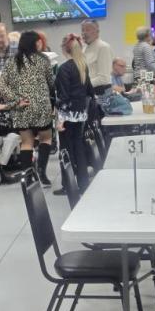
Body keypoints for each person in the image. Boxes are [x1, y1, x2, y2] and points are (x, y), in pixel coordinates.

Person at [0, 31, 55, 186]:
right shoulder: (43, 59)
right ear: (35, 43)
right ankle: (42, 173)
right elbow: (51, 82)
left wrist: (16, 100)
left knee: (26, 142)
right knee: (46, 138)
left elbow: (3, 86)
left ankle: (28, 177)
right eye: (39, 41)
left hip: (22, 108)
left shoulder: (11, 61)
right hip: (41, 106)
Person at [53, 34, 94, 195]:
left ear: (64, 49)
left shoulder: (64, 69)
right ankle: (83, 183)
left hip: (67, 116)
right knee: (78, 148)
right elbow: (89, 91)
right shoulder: (82, 66)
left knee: (65, 151)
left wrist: (60, 120)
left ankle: (67, 185)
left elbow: (63, 97)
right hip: (80, 114)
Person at [81, 19, 114, 96]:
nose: (84, 33)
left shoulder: (103, 47)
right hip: (89, 92)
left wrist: (83, 86)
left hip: (101, 93)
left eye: (87, 30)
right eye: (82, 30)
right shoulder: (84, 48)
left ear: (97, 31)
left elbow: (104, 78)